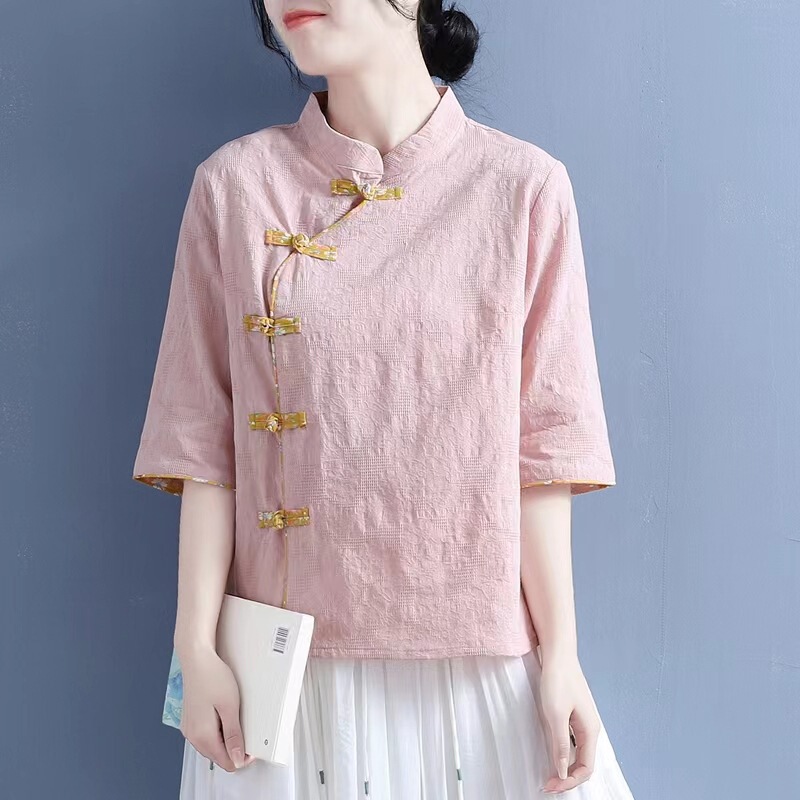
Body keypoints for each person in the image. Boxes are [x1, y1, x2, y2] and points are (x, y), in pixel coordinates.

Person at [131, 0, 637, 797]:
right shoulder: (234, 186)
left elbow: (543, 454)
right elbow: (203, 442)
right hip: (282, 679)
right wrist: (195, 649)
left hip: (480, 674)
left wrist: (562, 656)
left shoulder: (523, 188)